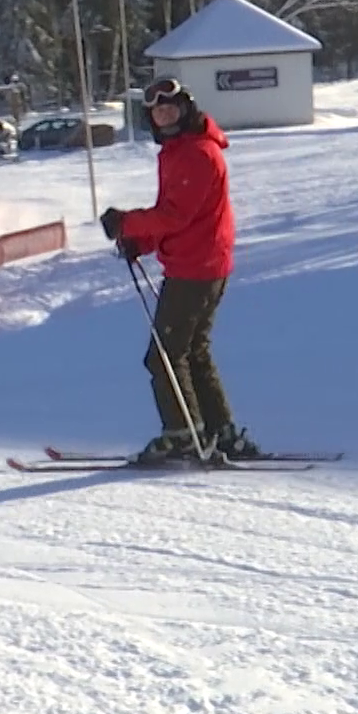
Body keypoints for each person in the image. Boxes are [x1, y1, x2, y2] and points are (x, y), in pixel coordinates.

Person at [100, 78, 263, 464]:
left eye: (171, 106)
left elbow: (174, 215)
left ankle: (182, 435)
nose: (165, 113)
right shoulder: (180, 151)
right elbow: (180, 217)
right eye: (157, 109)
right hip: (201, 261)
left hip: (196, 268)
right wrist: (143, 242)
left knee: (164, 356)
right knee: (192, 351)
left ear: (186, 107)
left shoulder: (195, 154)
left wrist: (126, 224)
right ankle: (218, 431)